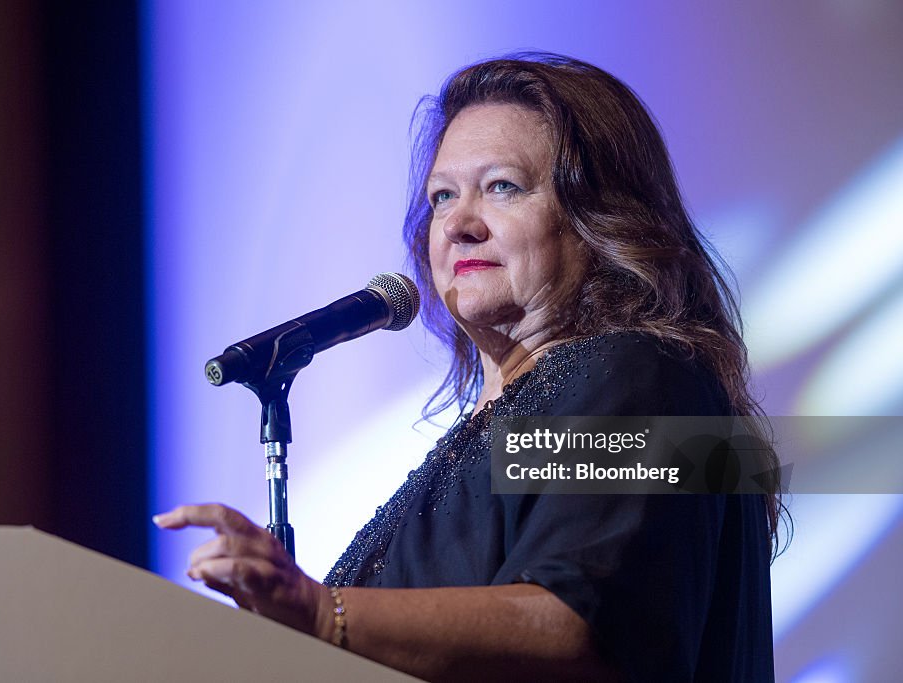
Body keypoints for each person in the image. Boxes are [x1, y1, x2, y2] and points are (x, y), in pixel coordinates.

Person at [153, 52, 783, 682]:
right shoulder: (513, 423)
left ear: (600, 217)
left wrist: (322, 615)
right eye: (442, 196)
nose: (457, 223)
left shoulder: (641, 374)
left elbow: (581, 626)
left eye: (503, 186)